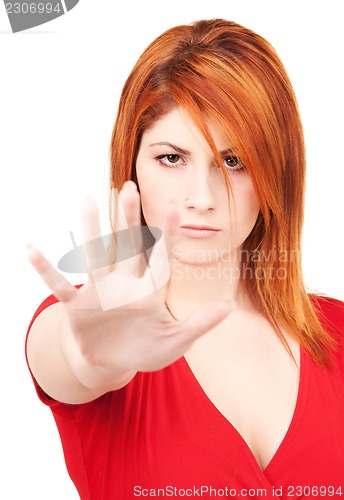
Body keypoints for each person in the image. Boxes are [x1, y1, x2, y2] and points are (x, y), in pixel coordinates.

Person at [26, 18, 344, 500]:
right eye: (172, 158)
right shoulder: (96, 321)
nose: (201, 197)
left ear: (277, 174)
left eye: (234, 162)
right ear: (131, 164)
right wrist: (90, 359)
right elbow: (68, 358)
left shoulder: (337, 333)